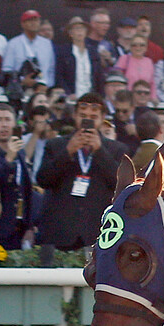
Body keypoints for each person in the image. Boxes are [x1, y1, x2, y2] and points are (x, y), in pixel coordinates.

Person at [36, 93, 128, 251]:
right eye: (83, 115)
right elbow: (43, 179)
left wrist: (99, 151)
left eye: (94, 116)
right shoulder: (56, 145)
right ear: (74, 116)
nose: (88, 120)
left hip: (98, 231)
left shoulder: (116, 149)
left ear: (102, 117)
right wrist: (68, 152)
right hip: (60, 231)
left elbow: (120, 184)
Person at [0, 104, 33, 250]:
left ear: (14, 123)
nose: (4, 124)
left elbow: (26, 190)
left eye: (8, 119)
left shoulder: (20, 152)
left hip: (18, 228)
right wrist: (9, 160)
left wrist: (29, 225)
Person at [1, 10, 55, 89]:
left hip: (42, 90)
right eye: (30, 20)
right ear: (23, 24)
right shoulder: (13, 43)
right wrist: (21, 81)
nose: (33, 23)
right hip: (19, 88)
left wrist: (47, 85)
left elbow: (51, 69)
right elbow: (6, 70)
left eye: (36, 20)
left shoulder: (47, 44)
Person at [55, 16, 103, 101]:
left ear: (86, 32)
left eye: (82, 28)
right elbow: (59, 76)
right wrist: (68, 93)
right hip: (73, 98)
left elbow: (99, 76)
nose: (80, 31)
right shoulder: (64, 52)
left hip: (91, 97)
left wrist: (100, 96)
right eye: (76, 29)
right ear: (70, 33)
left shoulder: (93, 52)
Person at [114, 34, 155, 101]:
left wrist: (153, 97)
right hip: (128, 99)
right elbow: (117, 80)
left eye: (142, 45)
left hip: (144, 99)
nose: (138, 48)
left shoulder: (149, 61)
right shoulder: (124, 59)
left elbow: (152, 83)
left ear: (146, 47)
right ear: (130, 47)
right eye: (134, 45)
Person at [21, 105, 52, 183]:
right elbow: (25, 158)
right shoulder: (24, 139)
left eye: (46, 121)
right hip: (31, 184)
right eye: (39, 122)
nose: (43, 125)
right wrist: (36, 133)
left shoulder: (56, 139)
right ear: (31, 122)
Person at [112, 90, 139, 155]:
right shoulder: (112, 122)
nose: (120, 114)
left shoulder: (142, 117)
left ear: (133, 107)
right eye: (117, 110)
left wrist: (138, 132)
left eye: (125, 111)